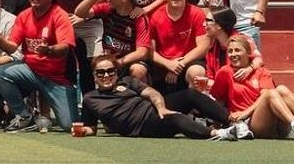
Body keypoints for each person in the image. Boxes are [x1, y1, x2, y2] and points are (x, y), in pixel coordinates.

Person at [0, 0, 79, 133]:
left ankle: (53, 110)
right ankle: (23, 116)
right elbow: (12, 47)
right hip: (31, 72)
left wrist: (48, 50)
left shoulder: (59, 15)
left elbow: (65, 47)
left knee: (69, 125)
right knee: (1, 73)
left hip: (56, 78)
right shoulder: (24, 15)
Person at [79, 54, 240, 140]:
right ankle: (216, 134)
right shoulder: (90, 99)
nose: (106, 75)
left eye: (110, 71)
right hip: (141, 126)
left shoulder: (127, 81)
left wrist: (160, 107)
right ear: (94, 76)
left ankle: (235, 123)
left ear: (116, 73)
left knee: (190, 94)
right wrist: (78, 131)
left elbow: (151, 93)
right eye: (101, 72)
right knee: (175, 118)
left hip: (154, 108)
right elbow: (90, 128)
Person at [210, 34, 294, 141]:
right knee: (271, 93)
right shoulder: (225, 72)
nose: (233, 54)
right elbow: (219, 100)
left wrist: (246, 111)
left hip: (276, 123)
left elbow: (266, 95)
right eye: (230, 51)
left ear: (248, 52)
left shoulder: (261, 71)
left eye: (237, 50)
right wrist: (216, 124)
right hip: (251, 124)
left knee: (281, 89)